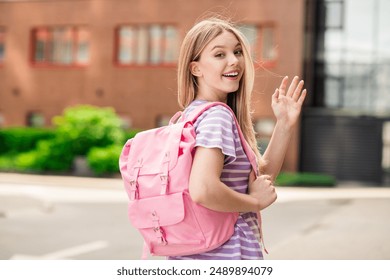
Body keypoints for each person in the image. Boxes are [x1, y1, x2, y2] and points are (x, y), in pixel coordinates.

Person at [168, 18, 306, 260]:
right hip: (224, 254)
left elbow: (260, 180)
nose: (234, 60)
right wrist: (253, 202)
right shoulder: (216, 116)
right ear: (195, 69)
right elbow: (203, 189)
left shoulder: (188, 115)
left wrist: (284, 124)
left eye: (238, 51)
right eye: (219, 54)